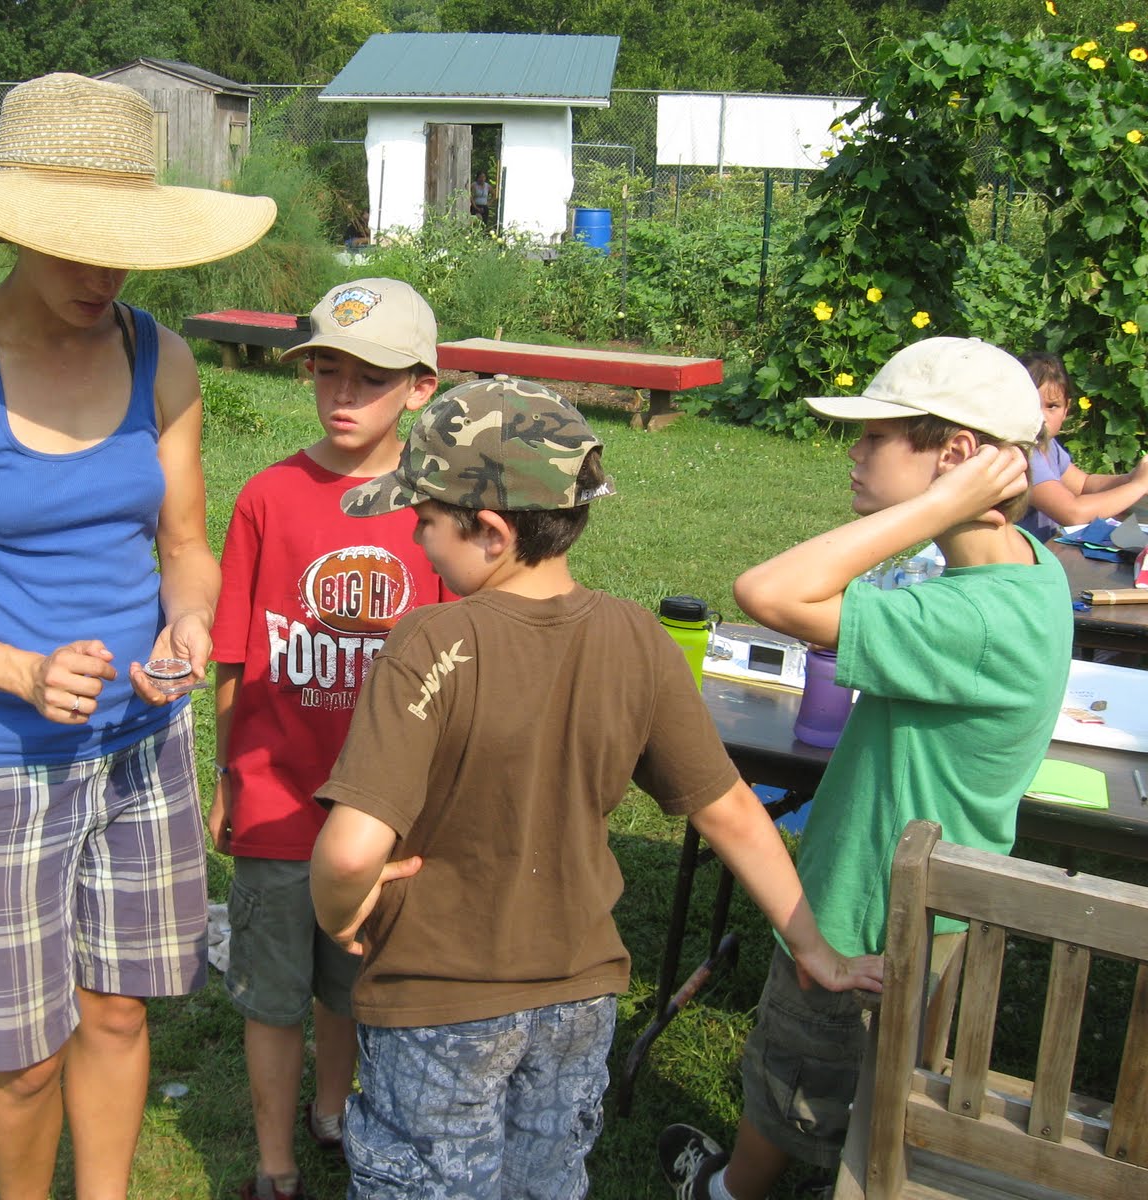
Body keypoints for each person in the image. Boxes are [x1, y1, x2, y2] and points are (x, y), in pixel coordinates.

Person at [0, 73, 275, 1200]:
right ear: (12, 232)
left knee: (118, 1007)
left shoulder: (161, 360)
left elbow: (186, 541)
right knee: (22, 1056)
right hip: (0, 766)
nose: (104, 276)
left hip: (142, 744)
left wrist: (192, 615)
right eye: (75, 247)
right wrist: (20, 671)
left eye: (121, 248)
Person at [307, 376, 884, 1200]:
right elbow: (730, 811)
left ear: (492, 530)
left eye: (425, 519)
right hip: (577, 1002)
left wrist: (340, 913)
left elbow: (352, 847)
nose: (417, 536)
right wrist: (815, 949)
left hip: (436, 1001)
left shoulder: (428, 640)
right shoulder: (637, 638)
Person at [659, 337, 1074, 1200]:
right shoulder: (1032, 581)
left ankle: (733, 1190)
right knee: (870, 1087)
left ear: (957, 457)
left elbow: (768, 592)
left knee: (794, 1084)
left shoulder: (974, 618)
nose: (853, 451)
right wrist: (947, 506)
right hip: (931, 913)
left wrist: (932, 509)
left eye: (876, 435)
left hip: (861, 916)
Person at [208, 278, 451, 1200]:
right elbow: (233, 656)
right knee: (271, 995)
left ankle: (334, 1112)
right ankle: (276, 1163)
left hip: (380, 808)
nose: (343, 397)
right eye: (327, 372)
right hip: (275, 797)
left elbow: (457, 666)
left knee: (350, 983)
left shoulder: (438, 510)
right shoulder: (269, 498)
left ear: (421, 386)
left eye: (372, 378)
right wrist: (228, 772)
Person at [1015, 351, 1148, 542]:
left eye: (1052, 406)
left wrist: (1131, 477)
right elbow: (1072, 513)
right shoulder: (1022, 452)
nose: (1041, 417)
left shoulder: (1047, 445)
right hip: (1017, 565)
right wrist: (1139, 485)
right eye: (1032, 404)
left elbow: (1084, 485)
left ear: (1066, 408)